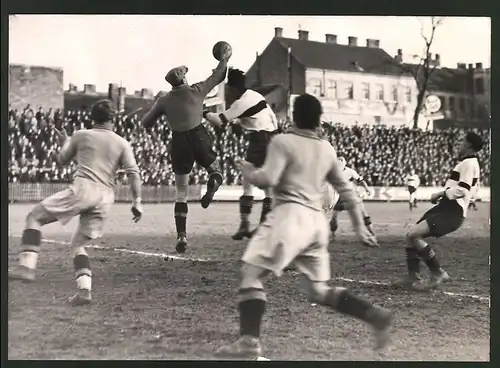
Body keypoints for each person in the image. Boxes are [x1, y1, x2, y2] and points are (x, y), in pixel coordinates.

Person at [215, 94, 390, 358]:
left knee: (250, 275)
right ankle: (373, 315)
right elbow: (347, 190)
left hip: (289, 218)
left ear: (294, 116)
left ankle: (249, 342)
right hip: (317, 224)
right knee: (318, 291)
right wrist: (359, 226)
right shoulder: (326, 149)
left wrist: (249, 171)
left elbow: (267, 179)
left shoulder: (283, 141)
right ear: (318, 119)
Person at [9, 100, 143, 306]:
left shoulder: (81, 135)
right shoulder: (122, 142)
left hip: (84, 188)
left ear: (92, 118)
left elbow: (62, 159)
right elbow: (134, 173)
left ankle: (26, 267)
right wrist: (137, 201)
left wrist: (66, 141)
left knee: (34, 217)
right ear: (113, 119)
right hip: (106, 197)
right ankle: (84, 292)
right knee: (78, 245)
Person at [141, 46, 231, 253]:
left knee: (181, 192)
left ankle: (182, 236)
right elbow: (217, 76)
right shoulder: (197, 90)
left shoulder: (164, 100)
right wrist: (224, 59)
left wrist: (162, 114)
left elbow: (146, 123)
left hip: (179, 140)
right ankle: (213, 183)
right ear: (184, 80)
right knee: (216, 170)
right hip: (199, 134)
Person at [392, 131, 483, 291]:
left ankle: (438, 273)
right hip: (446, 207)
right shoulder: (469, 163)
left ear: (468, 145)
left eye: (462, 141)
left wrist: (440, 193)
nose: (459, 144)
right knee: (410, 235)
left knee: (414, 235)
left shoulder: (469, 163)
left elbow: (463, 190)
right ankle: (413, 275)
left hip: (452, 211)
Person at [204, 68, 279, 240]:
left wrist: (203, 112)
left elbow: (219, 121)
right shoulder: (255, 95)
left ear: (234, 88)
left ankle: (251, 225)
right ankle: (256, 226)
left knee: (255, 184)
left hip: (261, 140)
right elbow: (272, 117)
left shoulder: (241, 103)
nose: (228, 92)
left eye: (229, 89)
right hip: (269, 137)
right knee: (259, 185)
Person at [328, 157, 375, 237]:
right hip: (340, 197)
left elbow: (361, 181)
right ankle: (332, 234)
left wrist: (367, 189)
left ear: (344, 164)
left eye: (340, 163)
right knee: (334, 216)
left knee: (363, 213)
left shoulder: (350, 172)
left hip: (352, 195)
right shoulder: (333, 172)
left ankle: (372, 233)